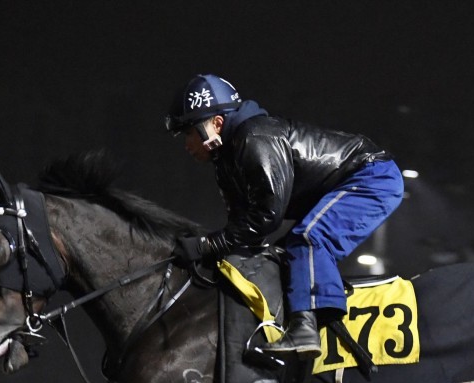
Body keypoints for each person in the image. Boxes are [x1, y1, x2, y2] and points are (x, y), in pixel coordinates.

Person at [166, 74, 404, 358]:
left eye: (188, 133)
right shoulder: (226, 164)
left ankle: (305, 329)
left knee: (308, 238)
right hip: (343, 183)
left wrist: (206, 245)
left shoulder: (254, 138)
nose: (186, 144)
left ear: (216, 124)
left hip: (371, 175)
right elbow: (242, 232)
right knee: (282, 252)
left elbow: (266, 218)